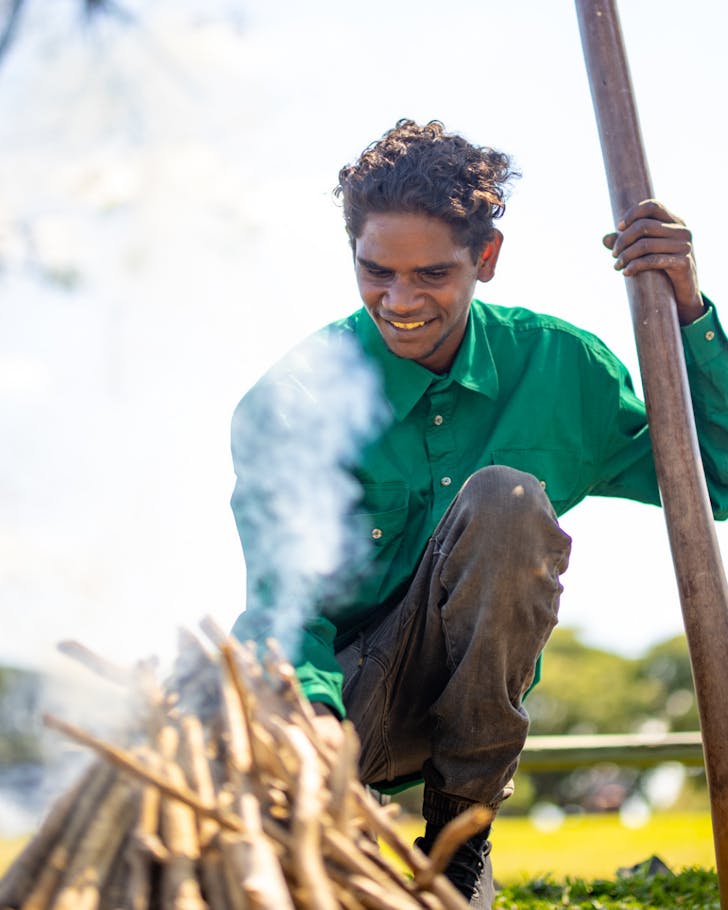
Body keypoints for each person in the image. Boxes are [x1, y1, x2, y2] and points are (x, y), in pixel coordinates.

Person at [230, 119, 728, 907]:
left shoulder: (563, 368)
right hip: (328, 702)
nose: (400, 301)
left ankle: (460, 842)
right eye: (375, 272)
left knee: (507, 499)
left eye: (431, 274)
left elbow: (717, 481)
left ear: (486, 259)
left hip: (471, 713)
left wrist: (689, 306)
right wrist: (312, 731)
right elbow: (286, 609)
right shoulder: (293, 404)